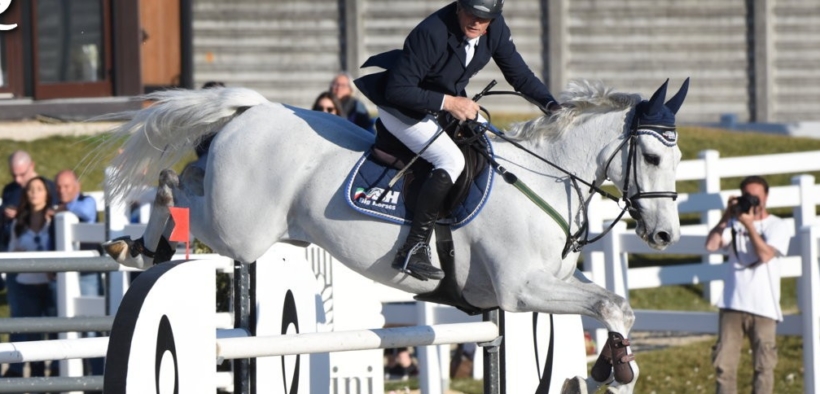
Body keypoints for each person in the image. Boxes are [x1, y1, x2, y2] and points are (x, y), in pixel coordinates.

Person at [355, 0, 560, 280]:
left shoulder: (495, 29)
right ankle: (412, 248)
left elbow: (519, 75)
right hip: (402, 107)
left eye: (484, 18)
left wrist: (551, 106)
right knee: (450, 159)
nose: (477, 23)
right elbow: (397, 90)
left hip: (440, 101)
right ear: (458, 8)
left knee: (492, 140)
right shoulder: (431, 32)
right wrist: (449, 102)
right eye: (472, 14)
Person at [705, 175, 791, 394]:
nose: (752, 201)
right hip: (732, 304)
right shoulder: (733, 222)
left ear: (766, 197)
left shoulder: (778, 225)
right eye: (747, 196)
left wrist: (750, 226)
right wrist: (727, 215)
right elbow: (711, 245)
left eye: (756, 197)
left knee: (764, 367)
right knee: (724, 367)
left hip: (764, 307)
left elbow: (764, 255)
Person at [3, 176, 58, 378]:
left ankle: (55, 378)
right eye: (30, 189)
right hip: (27, 285)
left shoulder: (54, 219)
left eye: (39, 189)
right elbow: (10, 251)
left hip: (50, 284)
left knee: (54, 333)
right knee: (33, 336)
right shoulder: (19, 221)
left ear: (47, 193)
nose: (34, 193)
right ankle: (36, 381)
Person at [54, 169, 105, 377]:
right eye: (58, 187)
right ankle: (79, 376)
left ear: (77, 186)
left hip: (87, 272)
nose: (62, 191)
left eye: (66, 186)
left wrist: (61, 209)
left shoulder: (87, 201)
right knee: (68, 327)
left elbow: (85, 213)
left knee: (91, 326)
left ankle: (98, 378)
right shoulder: (57, 208)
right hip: (64, 273)